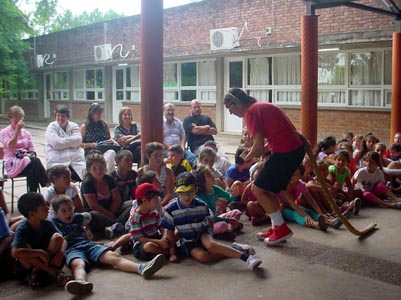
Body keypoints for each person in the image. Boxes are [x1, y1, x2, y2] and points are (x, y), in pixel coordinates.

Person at [223, 87, 305, 245]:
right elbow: (271, 141)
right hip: (291, 150)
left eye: (230, 108)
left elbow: (259, 145)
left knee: (257, 189)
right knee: (268, 190)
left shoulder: (251, 113)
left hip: (285, 152)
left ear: (237, 103)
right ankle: (277, 227)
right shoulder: (259, 107)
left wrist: (247, 156)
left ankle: (281, 228)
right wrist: (252, 151)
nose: (231, 113)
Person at [51, 195, 165, 295]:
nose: (68, 213)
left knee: (114, 257)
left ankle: (141, 268)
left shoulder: (77, 218)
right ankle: (80, 283)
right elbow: (61, 240)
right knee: (78, 264)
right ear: (56, 213)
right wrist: (61, 252)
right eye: (63, 211)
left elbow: (84, 230)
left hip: (89, 245)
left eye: (70, 209)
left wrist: (93, 241)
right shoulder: (54, 223)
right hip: (73, 249)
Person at [161, 172, 262, 270]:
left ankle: (247, 258)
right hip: (188, 240)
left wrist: (211, 236)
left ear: (196, 189)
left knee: (210, 245)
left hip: (202, 232)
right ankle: (235, 249)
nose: (187, 196)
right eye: (183, 192)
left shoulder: (201, 205)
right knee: (204, 257)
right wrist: (172, 253)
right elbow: (170, 233)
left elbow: (210, 220)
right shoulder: (170, 210)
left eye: (190, 191)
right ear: (176, 191)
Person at [11, 192, 71, 288]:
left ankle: (37, 274)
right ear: (32, 214)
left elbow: (64, 240)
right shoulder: (23, 228)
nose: (48, 208)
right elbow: (14, 253)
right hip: (29, 265)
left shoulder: (47, 223)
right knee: (22, 248)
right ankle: (51, 273)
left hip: (49, 260)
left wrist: (61, 252)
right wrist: (39, 253)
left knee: (58, 238)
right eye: (43, 207)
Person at [81, 151, 131, 238]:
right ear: (89, 170)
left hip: (112, 212)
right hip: (99, 214)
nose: (98, 171)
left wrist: (111, 214)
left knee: (132, 205)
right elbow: (94, 206)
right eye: (94, 168)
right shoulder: (87, 183)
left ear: (105, 167)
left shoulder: (108, 179)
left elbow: (117, 199)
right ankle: (117, 225)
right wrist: (112, 217)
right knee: (93, 215)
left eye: (101, 167)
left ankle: (113, 227)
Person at [0, 106, 50, 192]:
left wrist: (29, 154)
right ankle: (48, 185)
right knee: (35, 161)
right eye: (16, 117)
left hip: (26, 161)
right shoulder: (4, 132)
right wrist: (16, 131)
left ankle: (32, 196)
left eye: (21, 118)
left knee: (32, 170)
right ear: (10, 118)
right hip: (12, 162)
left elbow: (32, 149)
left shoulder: (26, 133)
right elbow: (11, 145)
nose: (19, 120)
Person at [195, 166, 242, 239]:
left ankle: (227, 230)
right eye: (208, 175)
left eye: (211, 173)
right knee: (223, 225)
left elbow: (229, 197)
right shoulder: (201, 197)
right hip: (207, 223)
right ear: (202, 181)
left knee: (236, 212)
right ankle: (228, 229)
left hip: (216, 218)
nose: (212, 175)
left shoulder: (215, 188)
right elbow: (209, 218)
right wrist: (228, 220)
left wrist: (234, 195)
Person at [128, 183, 169, 261]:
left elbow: (162, 227)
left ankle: (161, 253)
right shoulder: (136, 217)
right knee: (149, 246)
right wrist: (159, 242)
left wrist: (164, 237)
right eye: (155, 199)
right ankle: (167, 252)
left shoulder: (154, 213)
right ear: (144, 200)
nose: (157, 202)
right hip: (142, 244)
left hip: (156, 239)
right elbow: (139, 238)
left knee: (170, 235)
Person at [45, 105, 86, 182]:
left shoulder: (74, 126)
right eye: (58, 116)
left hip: (76, 161)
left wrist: (62, 141)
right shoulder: (51, 127)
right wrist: (71, 143)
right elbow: (56, 143)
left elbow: (78, 141)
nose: (60, 118)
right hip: (57, 161)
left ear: (68, 117)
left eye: (63, 116)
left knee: (88, 175)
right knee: (61, 178)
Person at [80, 103, 120, 174]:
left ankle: (102, 173)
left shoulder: (105, 125)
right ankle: (104, 174)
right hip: (91, 152)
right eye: (97, 113)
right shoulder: (84, 126)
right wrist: (90, 145)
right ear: (91, 113)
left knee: (111, 152)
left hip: (104, 150)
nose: (99, 115)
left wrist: (113, 141)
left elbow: (109, 138)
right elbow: (79, 144)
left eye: (100, 113)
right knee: (109, 163)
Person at [137, 142, 175, 207]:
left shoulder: (168, 171)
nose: (159, 158)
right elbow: (139, 192)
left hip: (163, 203)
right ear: (148, 156)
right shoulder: (141, 171)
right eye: (156, 155)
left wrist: (159, 205)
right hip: (145, 203)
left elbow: (169, 194)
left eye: (161, 155)